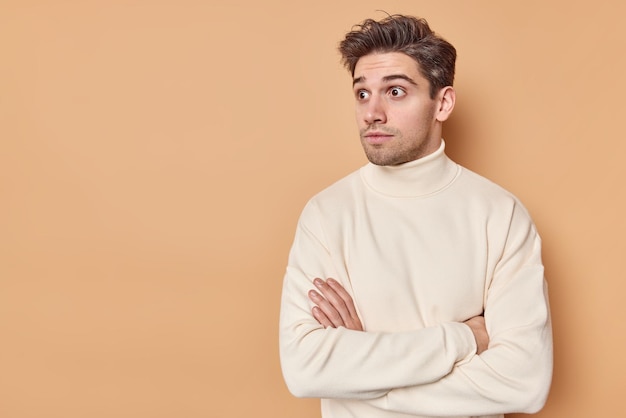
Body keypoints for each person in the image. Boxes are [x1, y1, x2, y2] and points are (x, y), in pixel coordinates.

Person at [279, 14, 552, 418]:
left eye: (394, 91)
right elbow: (304, 368)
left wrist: (363, 381)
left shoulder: (500, 214)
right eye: (362, 94)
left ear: (442, 103)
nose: (372, 112)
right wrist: (462, 339)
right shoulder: (326, 214)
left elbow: (523, 382)